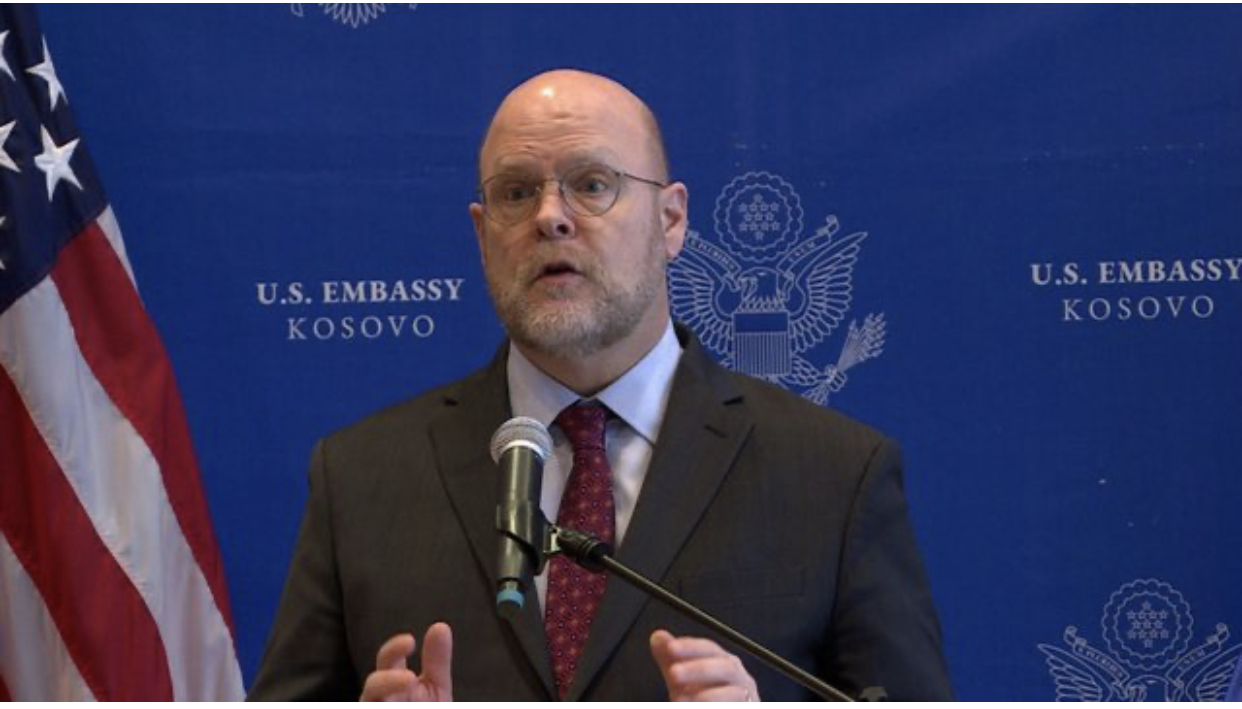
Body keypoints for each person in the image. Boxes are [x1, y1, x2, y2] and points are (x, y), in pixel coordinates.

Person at [248, 68, 953, 701]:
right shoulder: (361, 476)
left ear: (671, 220)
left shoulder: (833, 473)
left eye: (591, 185)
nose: (550, 217)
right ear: (482, 234)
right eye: (516, 192)